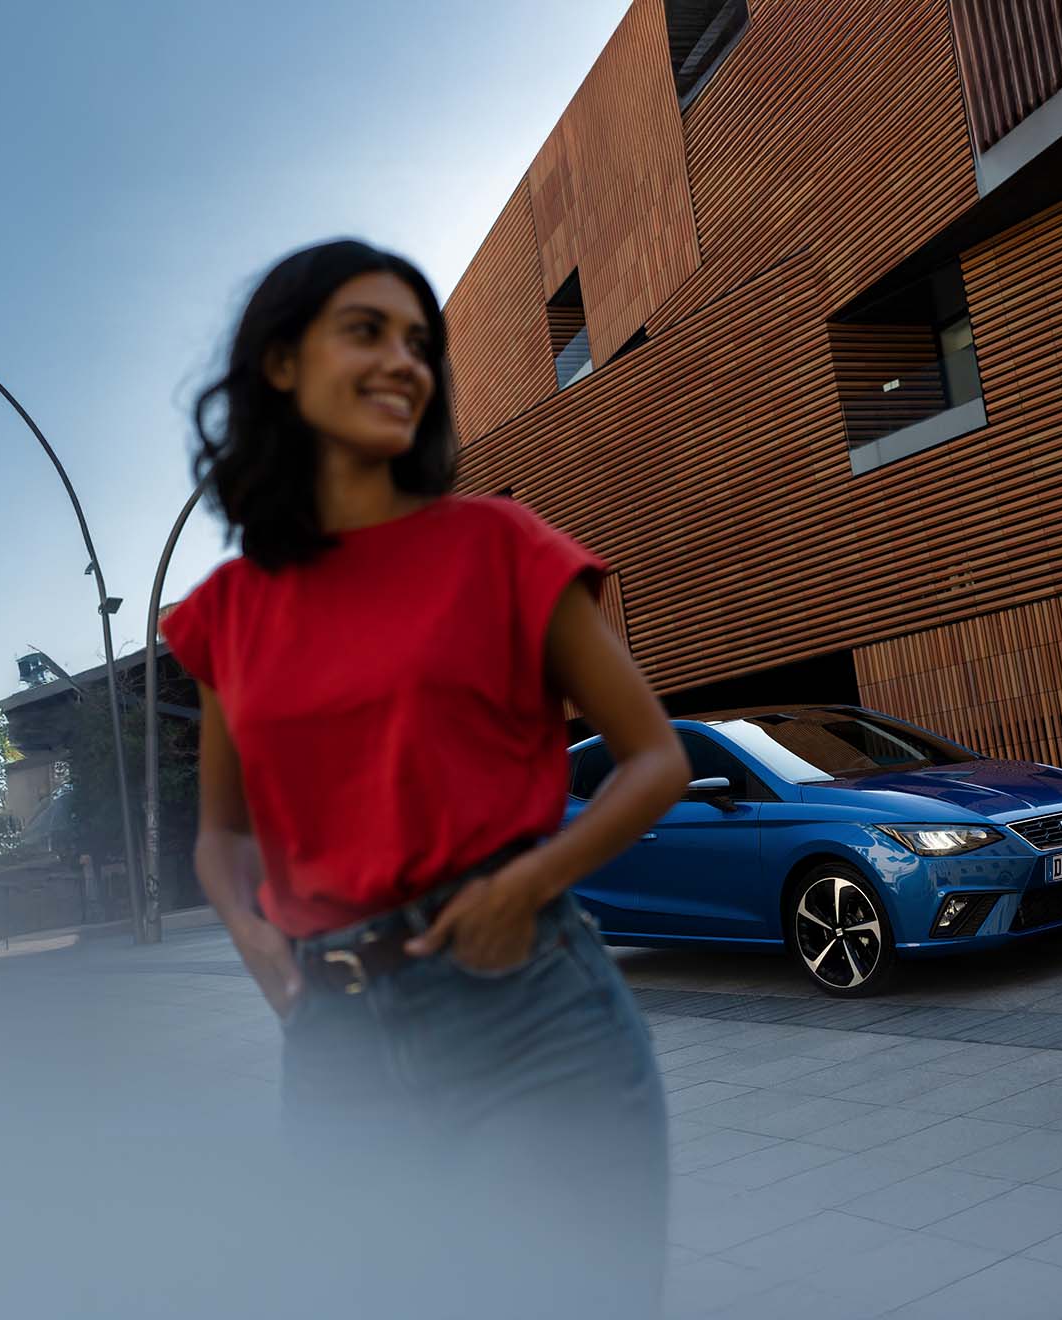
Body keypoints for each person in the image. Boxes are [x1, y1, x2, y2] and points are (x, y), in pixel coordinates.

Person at [159, 238, 689, 1317]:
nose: (404, 362)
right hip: (335, 1048)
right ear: (280, 364)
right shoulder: (228, 610)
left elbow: (657, 759)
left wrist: (527, 884)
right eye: (366, 332)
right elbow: (224, 832)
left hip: (529, 1017)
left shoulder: (498, 544)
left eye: (418, 343)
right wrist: (253, 938)